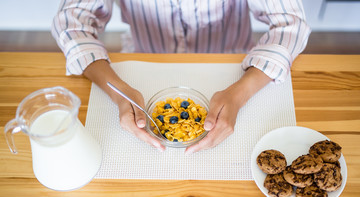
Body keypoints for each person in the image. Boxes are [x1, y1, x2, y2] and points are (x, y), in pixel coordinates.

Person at [52, 0, 311, 154]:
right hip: (143, 61)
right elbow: (71, 24)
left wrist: (240, 93)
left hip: (231, 63)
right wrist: (117, 91)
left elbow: (292, 25)